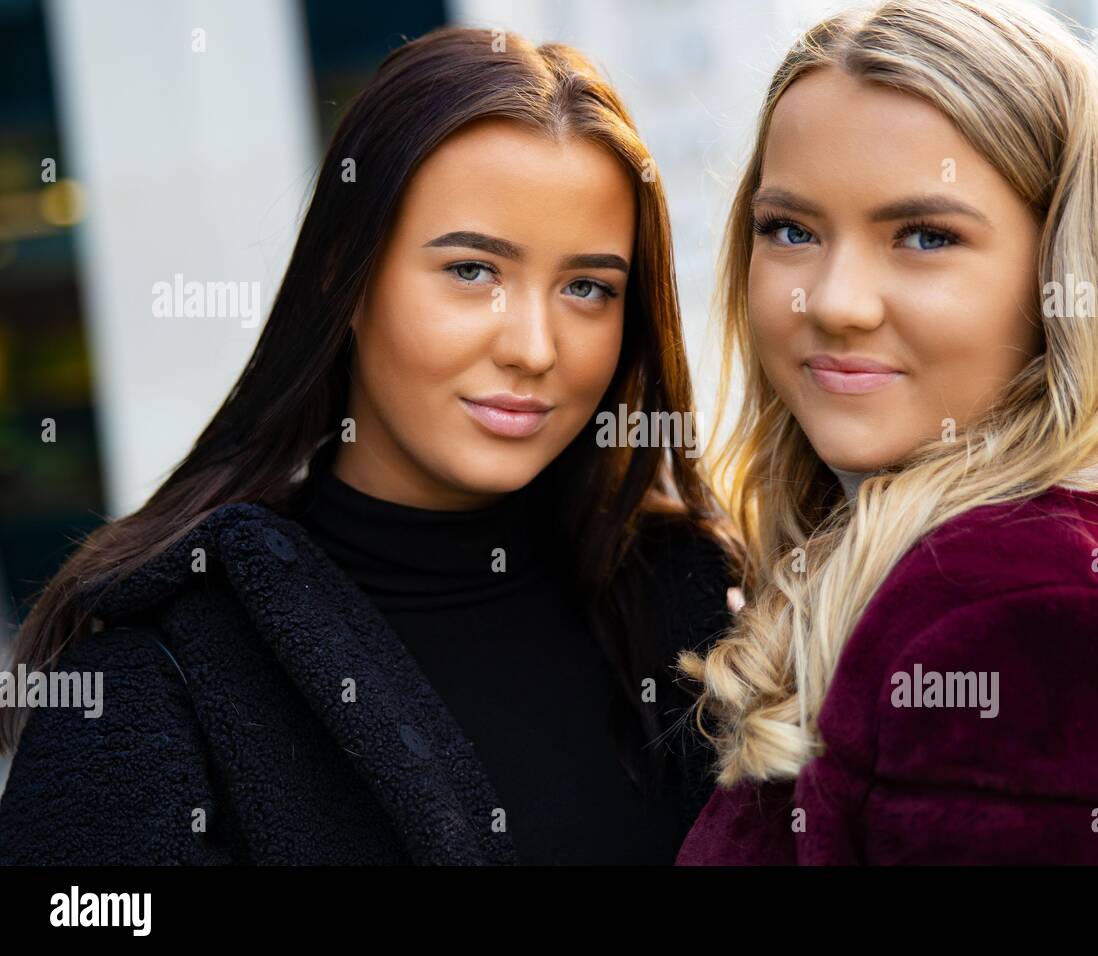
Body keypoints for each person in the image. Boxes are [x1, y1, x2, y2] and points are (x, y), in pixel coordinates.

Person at [0, 27, 735, 865]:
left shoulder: (698, 622)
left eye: (586, 288)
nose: (534, 346)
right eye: (472, 271)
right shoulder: (154, 684)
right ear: (345, 275)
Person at [676, 0, 1098, 865]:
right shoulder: (963, 551)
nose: (833, 301)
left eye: (925, 236)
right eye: (791, 230)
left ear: (1060, 273)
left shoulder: (1027, 621)